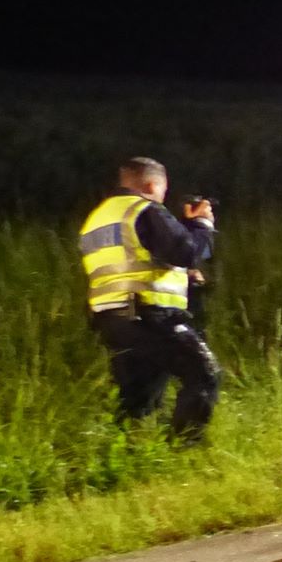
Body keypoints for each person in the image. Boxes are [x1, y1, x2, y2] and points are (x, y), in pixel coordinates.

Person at [78, 157, 220, 440]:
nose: (162, 198)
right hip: (147, 315)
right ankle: (185, 449)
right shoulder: (144, 209)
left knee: (139, 396)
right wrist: (202, 224)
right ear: (152, 184)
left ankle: (127, 451)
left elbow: (134, 262)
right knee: (204, 373)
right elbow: (187, 252)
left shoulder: (97, 218)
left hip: (111, 319)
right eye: (162, 192)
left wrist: (185, 276)